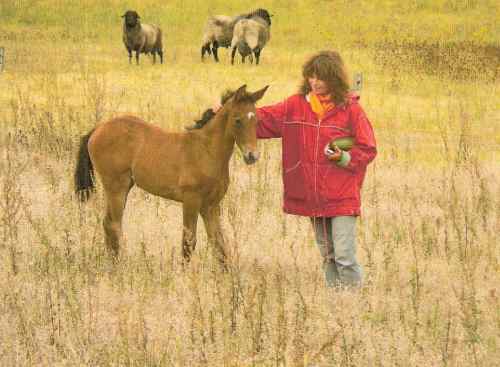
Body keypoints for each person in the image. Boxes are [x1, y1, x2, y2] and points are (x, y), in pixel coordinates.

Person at [216, 50, 377, 288]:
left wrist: (344, 157)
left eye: (320, 77)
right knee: (328, 256)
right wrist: (224, 112)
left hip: (342, 194)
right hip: (312, 195)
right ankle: (338, 305)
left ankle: (354, 305)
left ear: (334, 78)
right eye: (311, 76)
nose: (315, 82)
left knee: (344, 255)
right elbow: (258, 120)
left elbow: (368, 147)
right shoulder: (295, 106)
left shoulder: (350, 110)